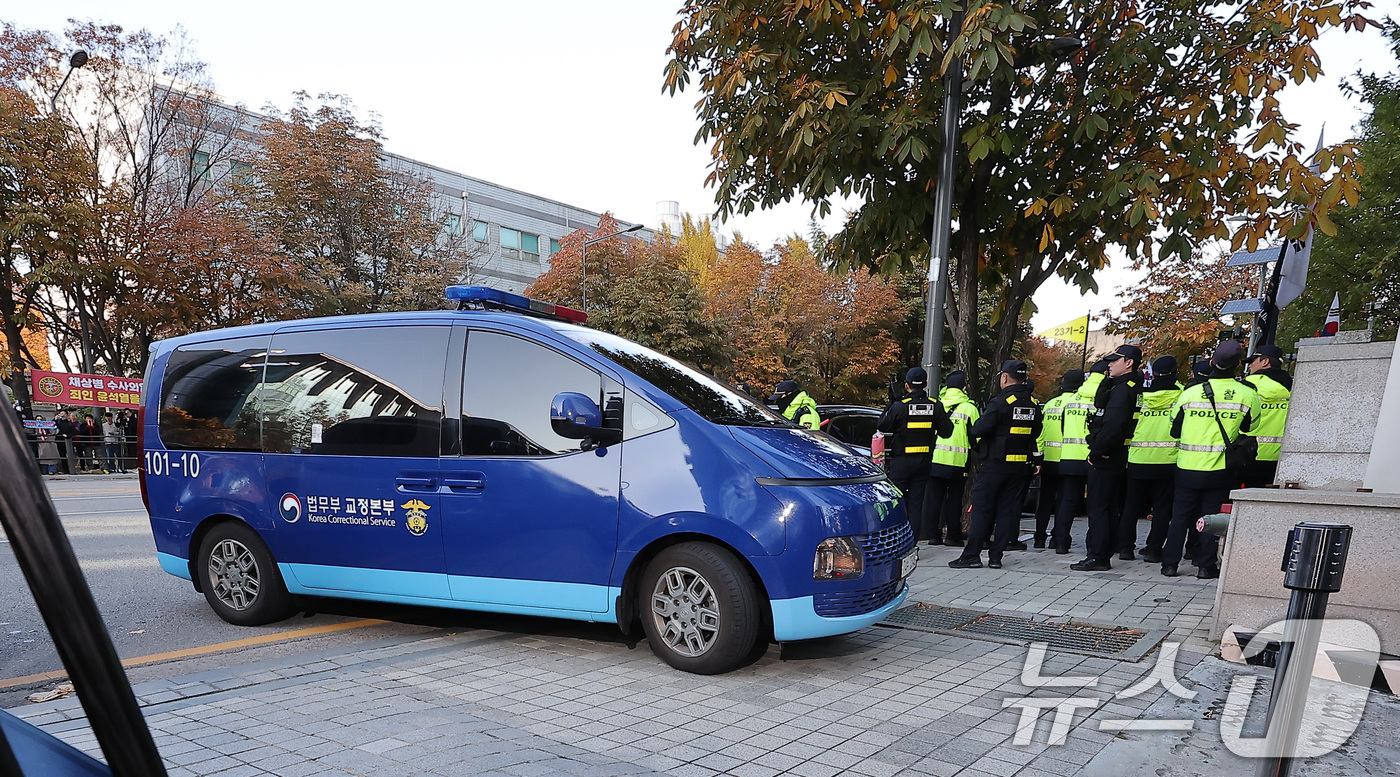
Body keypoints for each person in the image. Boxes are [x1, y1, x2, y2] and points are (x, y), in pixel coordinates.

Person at [1161, 340, 1260, 579]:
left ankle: (1169, 564)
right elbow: (1252, 426)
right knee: (1212, 519)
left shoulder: (1190, 393)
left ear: (1212, 362)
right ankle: (1205, 567)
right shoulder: (1248, 394)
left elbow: (1173, 429)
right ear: (1238, 364)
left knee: (1180, 516)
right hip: (1220, 468)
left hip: (1187, 467)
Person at [949, 360, 1042, 570]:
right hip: (1019, 468)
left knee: (983, 510)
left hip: (995, 466)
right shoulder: (1033, 405)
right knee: (1007, 512)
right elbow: (1035, 432)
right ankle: (996, 557)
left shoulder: (1001, 402)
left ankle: (972, 555)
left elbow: (978, 429)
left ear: (1005, 378)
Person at [1074, 345, 1144, 571]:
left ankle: (1098, 556)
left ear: (1129, 362)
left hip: (1107, 456)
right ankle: (1104, 550)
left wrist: (1096, 452)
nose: (1110, 364)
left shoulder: (1123, 390)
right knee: (1109, 507)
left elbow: (1113, 425)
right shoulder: (1130, 386)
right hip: (1119, 455)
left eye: (1115, 361)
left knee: (1099, 508)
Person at [877, 367, 954, 540]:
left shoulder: (900, 406)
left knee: (896, 502)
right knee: (916, 505)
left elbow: (882, 426)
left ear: (906, 385)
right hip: (923, 463)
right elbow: (947, 432)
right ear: (925, 384)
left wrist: (891, 401)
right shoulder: (935, 406)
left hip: (901, 463)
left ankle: (896, 541)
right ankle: (912, 543)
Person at [1125, 356, 1181, 563]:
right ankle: (1154, 549)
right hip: (1168, 460)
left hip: (1138, 458)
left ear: (1153, 372)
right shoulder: (1183, 394)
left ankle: (1125, 548)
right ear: (1175, 372)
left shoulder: (1140, 393)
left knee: (1131, 506)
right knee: (1162, 508)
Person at [925, 370, 979, 546]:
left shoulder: (936, 405)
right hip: (958, 462)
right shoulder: (970, 408)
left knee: (935, 499)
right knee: (955, 500)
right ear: (964, 388)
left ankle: (933, 535)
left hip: (935, 459)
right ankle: (952, 536)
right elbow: (977, 436)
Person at [1052, 364, 1102, 554]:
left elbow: (1064, 427)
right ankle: (1092, 545)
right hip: (1093, 458)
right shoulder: (1103, 398)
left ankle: (1061, 542)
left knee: (1068, 501)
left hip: (1069, 457)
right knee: (1095, 504)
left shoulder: (1071, 400)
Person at [1034, 371, 1082, 548]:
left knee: (1045, 500)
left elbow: (1040, 432)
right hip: (1068, 459)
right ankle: (1058, 539)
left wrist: (1038, 457)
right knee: (1064, 501)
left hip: (1048, 458)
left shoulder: (1050, 404)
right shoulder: (1077, 403)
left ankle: (1039, 538)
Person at [1242, 344, 1292, 488]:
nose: (1249, 366)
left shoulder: (1247, 385)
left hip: (1248, 455)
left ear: (1265, 362)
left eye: (1253, 361)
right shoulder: (1293, 386)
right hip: (1280, 457)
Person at [54, 410, 79, 475]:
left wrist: (68, 436)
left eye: (64, 413)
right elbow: (51, 426)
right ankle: (65, 470)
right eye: (61, 413)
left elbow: (73, 432)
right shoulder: (57, 422)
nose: (62, 415)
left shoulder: (69, 423)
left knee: (70, 455)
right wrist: (55, 419)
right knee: (62, 456)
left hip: (69, 441)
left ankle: (72, 469)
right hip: (60, 441)